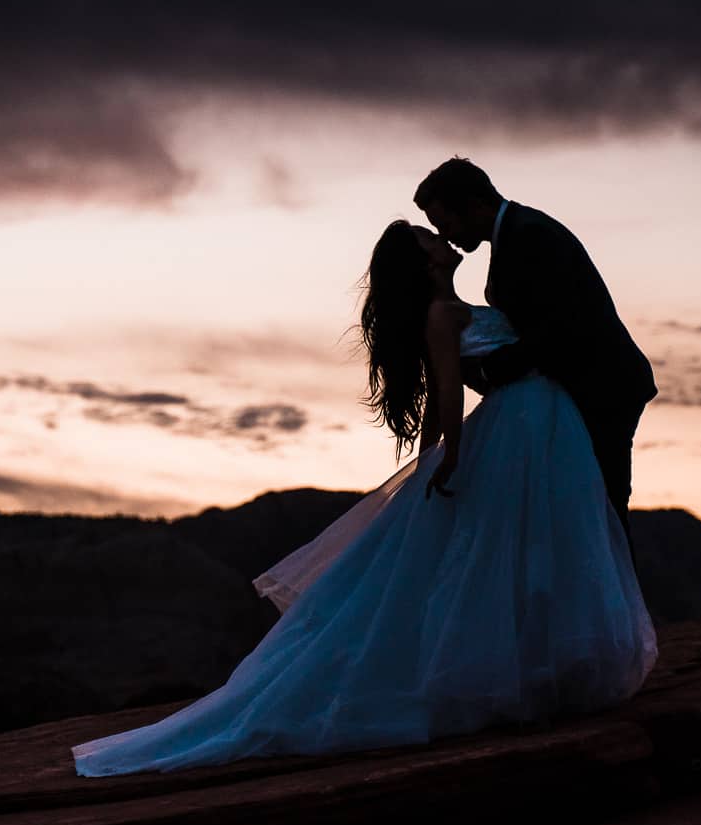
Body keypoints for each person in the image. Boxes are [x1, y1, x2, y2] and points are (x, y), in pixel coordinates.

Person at [71, 220, 658, 777]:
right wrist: (449, 458)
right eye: (432, 237)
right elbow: (447, 394)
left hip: (529, 426)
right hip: (514, 429)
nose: (443, 239)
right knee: (500, 557)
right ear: (425, 263)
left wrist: (440, 455)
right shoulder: (442, 312)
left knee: (517, 553)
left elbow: (440, 396)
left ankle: (537, 666)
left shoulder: (455, 305)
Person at [413, 157, 657, 557]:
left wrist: (491, 368)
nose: (447, 235)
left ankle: (618, 616)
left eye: (446, 223)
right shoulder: (517, 234)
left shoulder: (529, 236)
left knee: (601, 510)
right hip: (577, 392)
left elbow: (562, 326)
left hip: (600, 388)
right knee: (588, 512)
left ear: (474, 204)